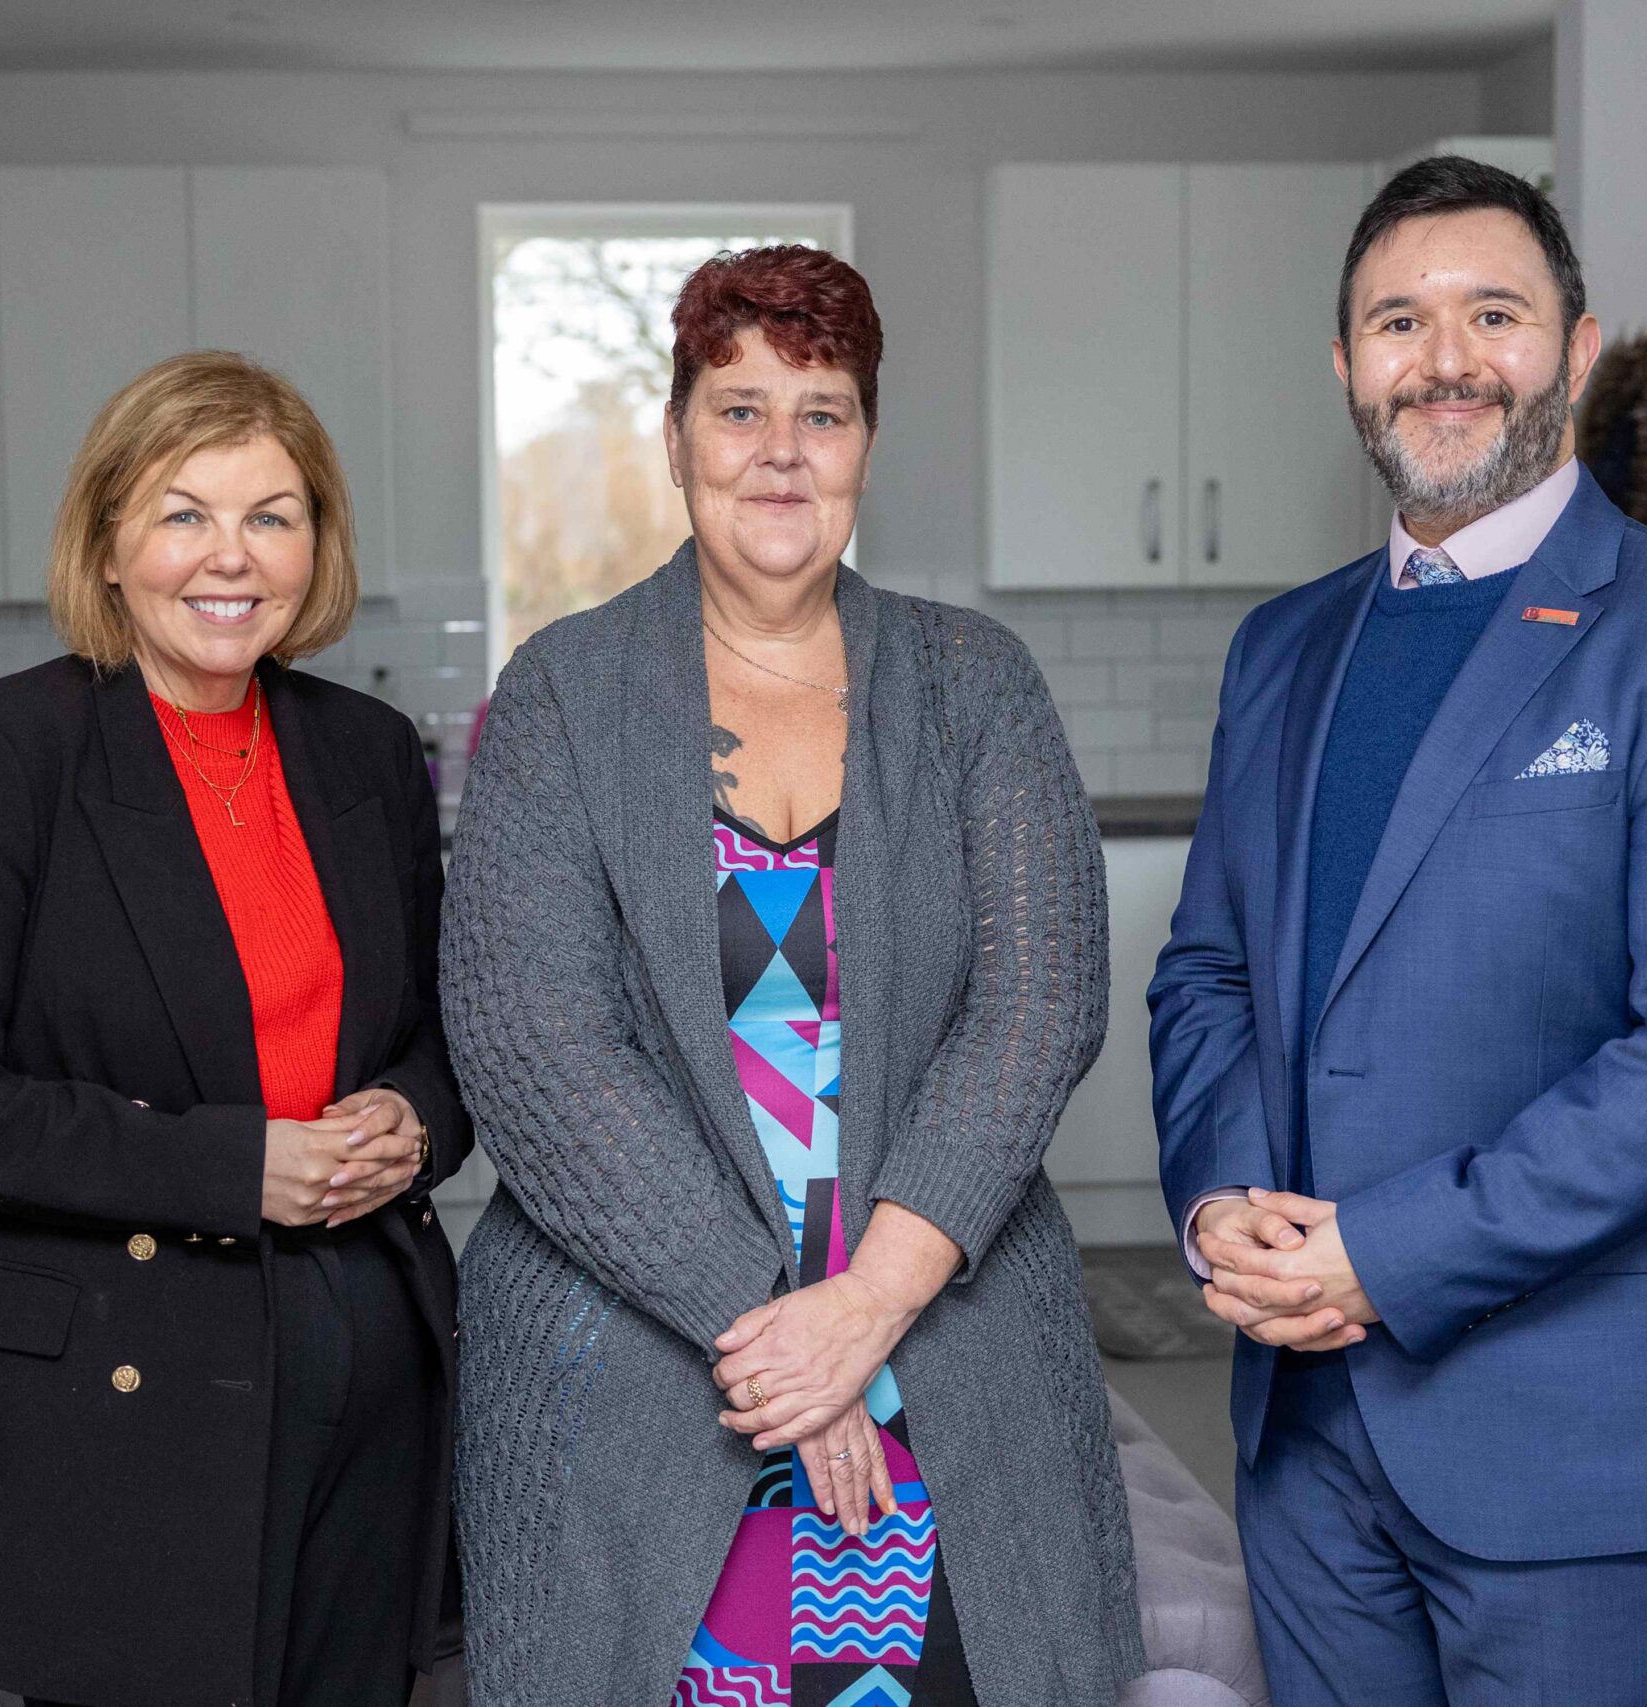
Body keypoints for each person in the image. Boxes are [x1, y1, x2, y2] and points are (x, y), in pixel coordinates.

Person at [1149, 156, 1647, 1706]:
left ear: (1576, 349)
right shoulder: (1281, 647)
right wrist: (1222, 1202)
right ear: (1347, 365)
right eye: (1401, 321)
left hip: (1588, 1444)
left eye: (1494, 314)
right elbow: (1210, 972)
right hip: (1308, 1439)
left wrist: (1387, 1255)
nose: (1445, 359)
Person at [442, 245, 1142, 1707]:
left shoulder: (974, 682)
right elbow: (533, 1049)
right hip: (645, 1361)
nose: (781, 451)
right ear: (677, 439)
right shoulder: (563, 692)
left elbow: (1041, 1002)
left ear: (867, 445)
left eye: (821, 412)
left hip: (939, 1340)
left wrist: (867, 1307)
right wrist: (784, 1340)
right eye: (738, 409)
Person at [0, 351, 468, 1707]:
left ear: (316, 544)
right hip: (115, 1391)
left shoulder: (365, 749)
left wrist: (414, 1116)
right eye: (184, 513)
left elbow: (444, 1031)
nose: (230, 556)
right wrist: (234, 1167)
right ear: (109, 544)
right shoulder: (3, 753)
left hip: (366, 1357)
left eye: (271, 515)